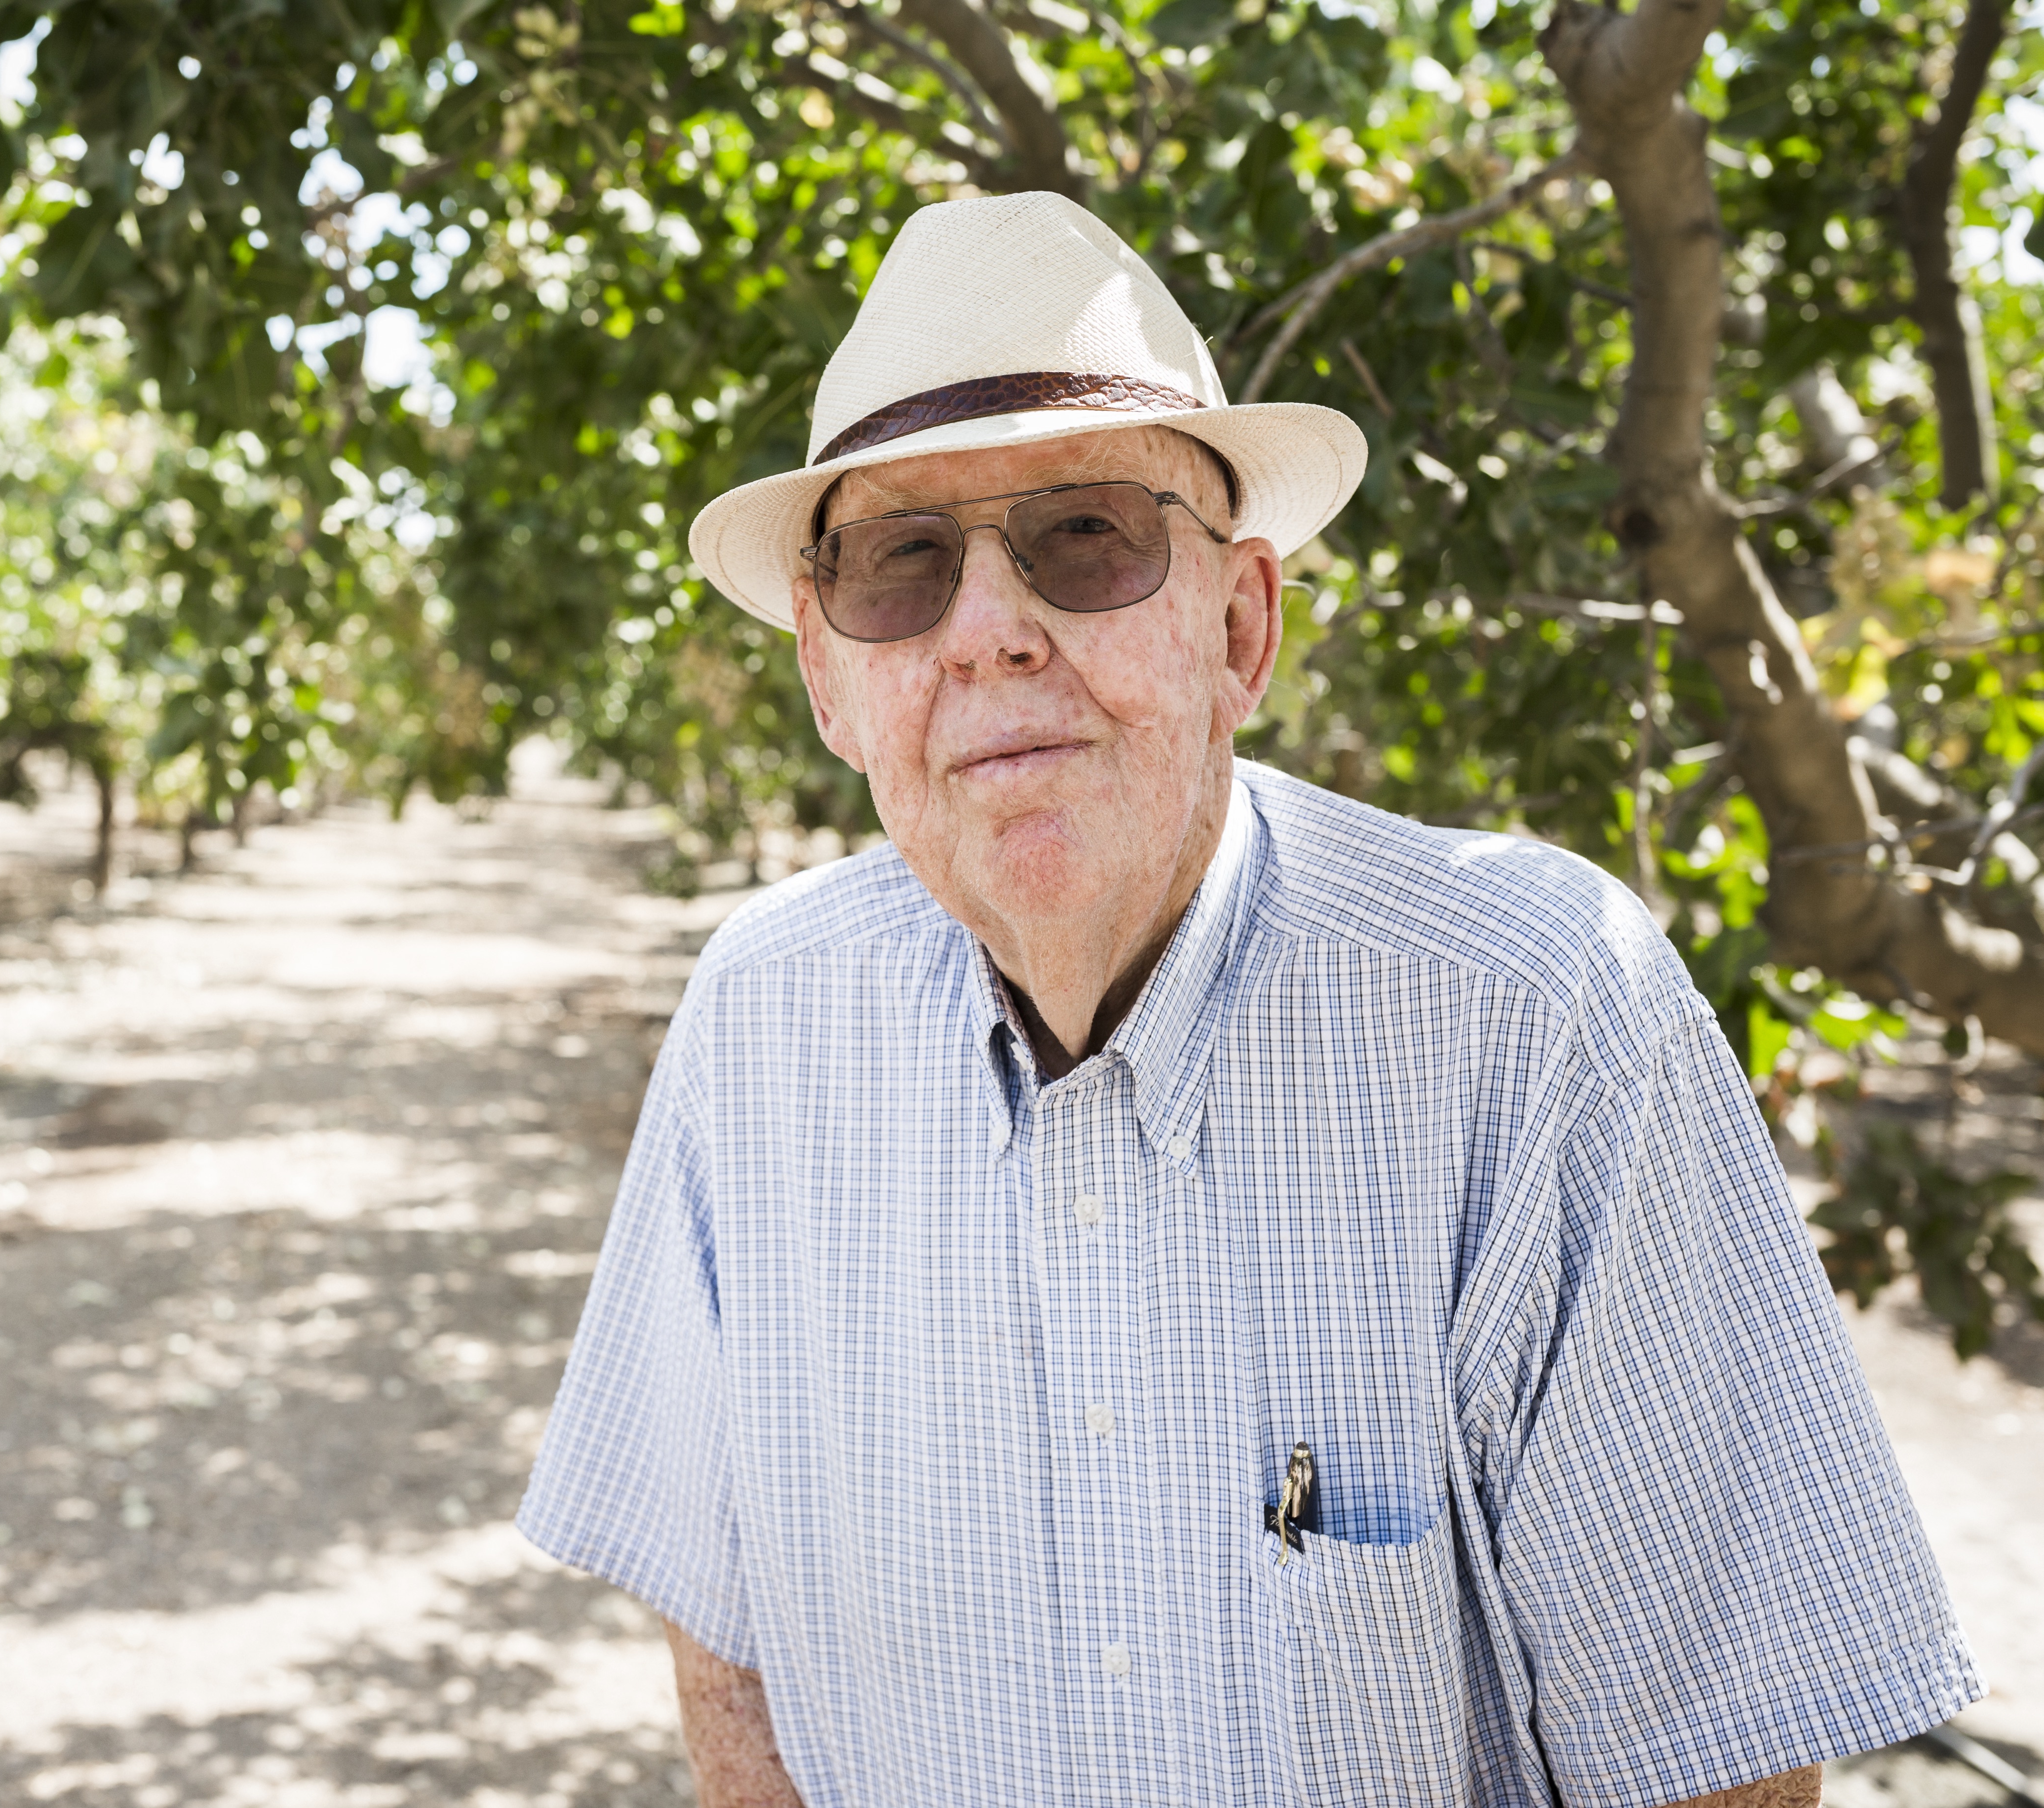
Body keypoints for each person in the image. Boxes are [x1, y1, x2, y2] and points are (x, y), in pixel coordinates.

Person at [516, 192, 1979, 1808]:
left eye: (1086, 536)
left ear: (1241, 624)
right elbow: (725, 1647)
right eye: (900, 565)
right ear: (828, 675)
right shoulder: (759, 1026)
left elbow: (1723, 1767)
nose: (991, 632)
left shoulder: (1542, 1019)